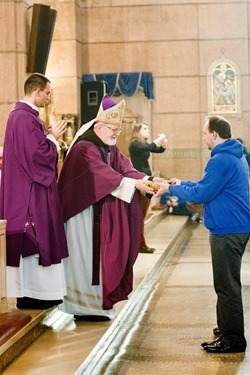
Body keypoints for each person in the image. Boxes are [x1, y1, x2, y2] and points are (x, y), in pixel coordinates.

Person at [155, 115, 250, 353]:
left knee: (227, 286)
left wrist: (169, 187)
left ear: (215, 134)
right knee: (225, 284)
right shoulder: (233, 155)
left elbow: (201, 194)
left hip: (228, 229)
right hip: (234, 227)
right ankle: (226, 330)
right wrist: (182, 182)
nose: (203, 137)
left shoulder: (221, 160)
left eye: (205, 132)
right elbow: (207, 187)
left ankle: (234, 339)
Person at [58, 95, 157, 321]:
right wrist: (135, 184)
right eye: (113, 129)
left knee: (99, 259)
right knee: (85, 259)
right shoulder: (84, 148)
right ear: (99, 126)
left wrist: (148, 179)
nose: (116, 134)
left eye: (119, 130)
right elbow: (101, 174)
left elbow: (125, 167)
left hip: (98, 213)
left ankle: (99, 304)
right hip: (81, 215)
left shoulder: (109, 146)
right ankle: (84, 306)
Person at [0, 73, 69, 310]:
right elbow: (36, 156)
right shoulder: (22, 118)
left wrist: (48, 136)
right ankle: (32, 294)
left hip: (31, 190)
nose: (49, 98)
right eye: (48, 92)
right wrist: (53, 138)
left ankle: (40, 293)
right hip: (28, 195)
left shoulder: (28, 117)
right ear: (37, 91)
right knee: (34, 241)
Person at [129, 123, 168, 253]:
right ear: (137, 132)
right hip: (141, 181)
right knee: (140, 214)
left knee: (143, 213)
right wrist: (160, 137)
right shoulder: (135, 144)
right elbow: (152, 146)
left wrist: (163, 144)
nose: (148, 130)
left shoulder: (142, 145)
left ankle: (140, 243)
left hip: (148, 180)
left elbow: (157, 149)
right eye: (145, 129)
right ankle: (140, 244)